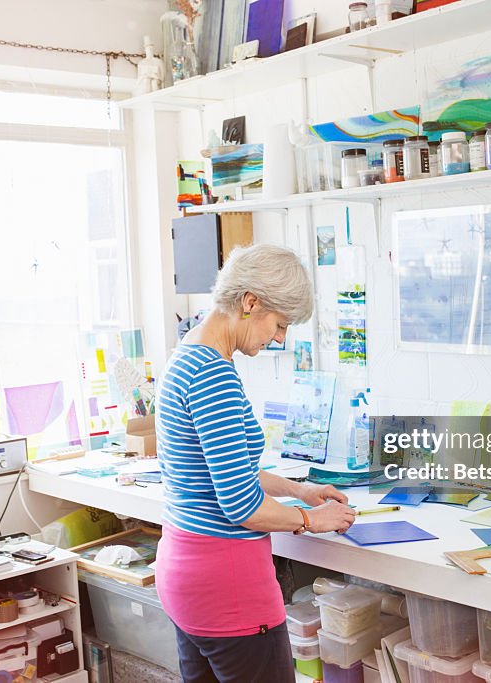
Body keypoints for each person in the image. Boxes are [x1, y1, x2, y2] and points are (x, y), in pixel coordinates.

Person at [155, 244, 356, 682]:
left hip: (186, 579)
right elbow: (242, 507)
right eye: (280, 324)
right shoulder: (214, 377)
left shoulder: (187, 357)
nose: (280, 338)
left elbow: (227, 468)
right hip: (229, 591)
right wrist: (311, 519)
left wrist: (298, 490)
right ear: (250, 302)